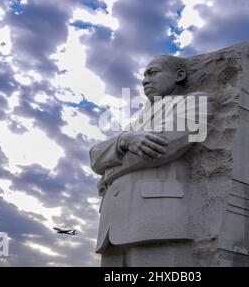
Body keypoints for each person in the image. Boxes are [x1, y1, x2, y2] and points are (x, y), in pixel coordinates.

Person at [89, 55, 214, 266]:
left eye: (152, 72)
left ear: (179, 75)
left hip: (156, 220)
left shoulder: (196, 102)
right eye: (143, 76)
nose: (144, 81)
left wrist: (108, 172)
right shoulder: (135, 123)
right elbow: (94, 157)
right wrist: (123, 140)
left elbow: (164, 147)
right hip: (111, 228)